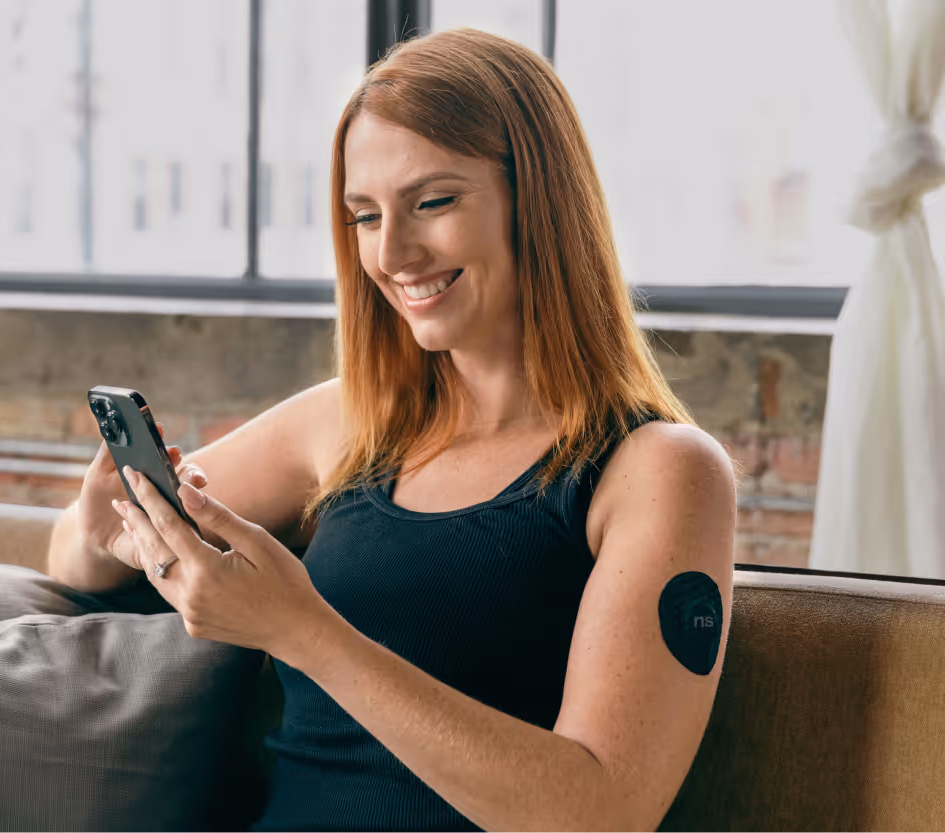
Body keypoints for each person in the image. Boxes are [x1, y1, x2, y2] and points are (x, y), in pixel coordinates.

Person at [47, 27, 736, 833]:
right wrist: (107, 531)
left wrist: (301, 630)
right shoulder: (348, 424)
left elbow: (601, 812)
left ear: (540, 201)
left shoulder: (659, 469)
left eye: (434, 201)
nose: (393, 253)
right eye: (365, 216)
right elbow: (68, 550)